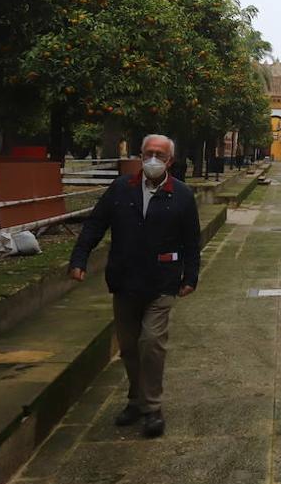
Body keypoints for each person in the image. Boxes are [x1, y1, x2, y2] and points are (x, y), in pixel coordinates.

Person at [68, 134, 200, 438]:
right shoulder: (120, 189)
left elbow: (191, 240)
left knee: (151, 342)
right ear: (141, 155)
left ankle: (152, 408)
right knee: (129, 347)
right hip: (125, 280)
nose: (153, 159)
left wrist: (190, 276)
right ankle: (136, 399)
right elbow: (95, 225)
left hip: (162, 282)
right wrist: (79, 259)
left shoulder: (181, 195)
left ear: (170, 161)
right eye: (148, 153)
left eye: (160, 154)